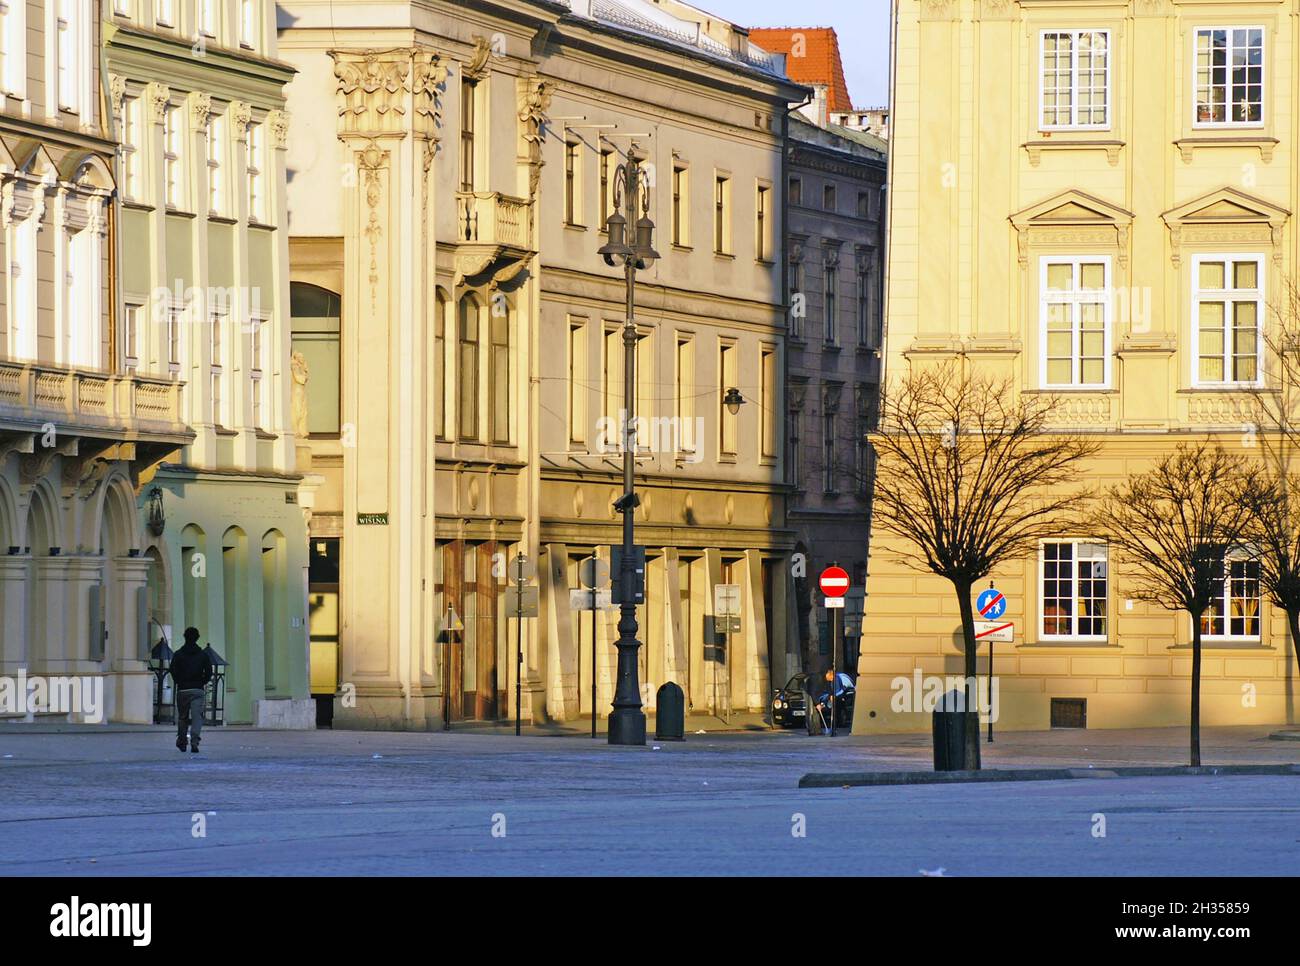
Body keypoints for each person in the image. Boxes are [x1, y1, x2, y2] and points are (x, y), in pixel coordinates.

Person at [170, 627, 213, 754]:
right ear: (197, 638)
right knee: (197, 717)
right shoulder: (203, 655)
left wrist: (179, 682)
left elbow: (173, 670)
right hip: (197, 690)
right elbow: (209, 672)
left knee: (183, 717)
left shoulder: (178, 654)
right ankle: (194, 741)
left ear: (185, 637)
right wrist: (202, 682)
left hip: (183, 690)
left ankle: (182, 741)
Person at [815, 669, 854, 735]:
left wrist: (833, 696)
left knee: (836, 711)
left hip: (843, 695)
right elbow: (831, 691)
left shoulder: (837, 679)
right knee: (833, 711)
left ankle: (835, 728)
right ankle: (833, 728)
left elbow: (840, 690)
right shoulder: (831, 681)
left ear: (831, 675)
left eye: (827, 676)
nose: (826, 678)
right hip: (837, 696)